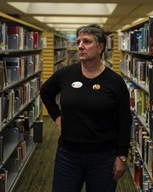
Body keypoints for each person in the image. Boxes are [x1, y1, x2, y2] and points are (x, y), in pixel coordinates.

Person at [40, 23, 132, 192]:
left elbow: (125, 120)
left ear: (101, 47)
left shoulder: (115, 82)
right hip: (68, 154)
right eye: (79, 42)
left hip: (103, 157)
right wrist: (56, 116)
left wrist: (121, 156)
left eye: (87, 41)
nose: (80, 46)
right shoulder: (66, 74)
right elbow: (45, 91)